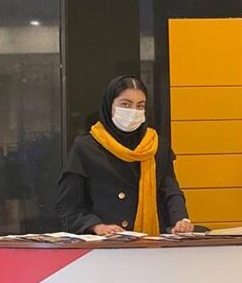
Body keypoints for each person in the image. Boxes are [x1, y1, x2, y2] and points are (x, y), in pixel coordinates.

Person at [57, 76, 194, 236]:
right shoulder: (86, 148)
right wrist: (97, 227)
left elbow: (170, 190)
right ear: (110, 105)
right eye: (125, 104)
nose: (133, 112)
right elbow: (69, 206)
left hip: (149, 240)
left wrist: (180, 219)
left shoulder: (155, 145)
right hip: (104, 243)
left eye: (140, 106)